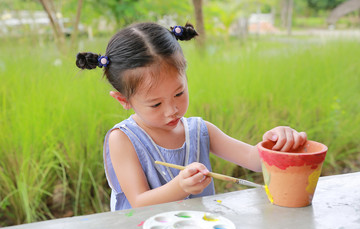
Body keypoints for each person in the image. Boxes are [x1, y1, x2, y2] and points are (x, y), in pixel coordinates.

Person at [75, 22, 307, 211]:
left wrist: (276, 141)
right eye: (155, 104)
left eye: (179, 93)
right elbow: (139, 201)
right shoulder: (123, 139)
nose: (172, 110)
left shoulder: (199, 130)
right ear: (123, 100)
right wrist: (181, 186)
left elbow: (253, 160)